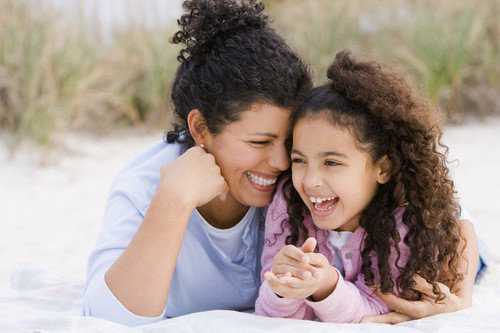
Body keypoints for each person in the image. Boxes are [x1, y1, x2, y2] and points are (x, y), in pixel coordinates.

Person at [82, 0, 311, 326]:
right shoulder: (141, 188)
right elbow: (106, 320)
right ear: (201, 128)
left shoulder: (301, 178)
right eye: (259, 142)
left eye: (288, 142)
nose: (280, 161)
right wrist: (174, 200)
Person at [254, 50, 479, 323]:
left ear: (382, 168)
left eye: (332, 163)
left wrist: (325, 286)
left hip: (444, 238)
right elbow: (269, 312)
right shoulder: (290, 201)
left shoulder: (406, 225)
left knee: (458, 227)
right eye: (299, 160)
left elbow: (379, 309)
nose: (310, 180)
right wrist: (283, 289)